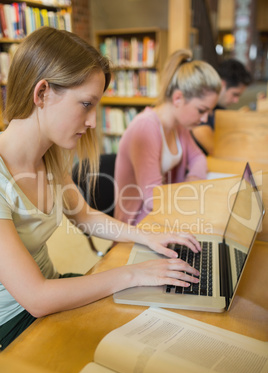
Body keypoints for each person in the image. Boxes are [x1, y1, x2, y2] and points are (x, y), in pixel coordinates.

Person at [0, 27, 203, 350]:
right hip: (12, 322)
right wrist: (133, 274)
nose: (93, 121)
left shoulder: (49, 156)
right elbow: (35, 297)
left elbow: (83, 215)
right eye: (86, 104)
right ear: (42, 94)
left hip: (53, 293)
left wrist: (146, 235)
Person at [114, 49, 222, 226]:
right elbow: (152, 200)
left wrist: (192, 181)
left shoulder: (179, 125)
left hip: (167, 214)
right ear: (178, 98)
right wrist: (190, 192)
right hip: (139, 225)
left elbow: (198, 158)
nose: (204, 119)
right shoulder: (146, 127)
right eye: (201, 110)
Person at [191, 58, 252, 155]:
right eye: (235, 94)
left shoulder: (219, 108)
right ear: (222, 84)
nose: (236, 101)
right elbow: (214, 149)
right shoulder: (201, 107)